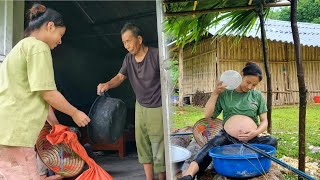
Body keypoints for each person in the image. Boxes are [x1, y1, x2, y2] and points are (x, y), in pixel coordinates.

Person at [0, 4, 90, 180]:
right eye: (60, 35)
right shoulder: (38, 47)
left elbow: (38, 95)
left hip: (6, 131)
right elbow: (47, 92)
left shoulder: (20, 48)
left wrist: (55, 125)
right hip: (16, 135)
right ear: (50, 26)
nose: (60, 41)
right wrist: (75, 113)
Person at [179, 62, 278, 180]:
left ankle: (234, 154)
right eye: (248, 82)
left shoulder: (257, 96)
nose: (250, 87)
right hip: (227, 138)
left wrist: (255, 133)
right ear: (241, 75)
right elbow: (207, 115)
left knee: (271, 141)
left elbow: (264, 121)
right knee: (211, 146)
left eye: (254, 85)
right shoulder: (225, 93)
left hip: (250, 140)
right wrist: (215, 93)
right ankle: (189, 174)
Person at [97, 23, 165, 180]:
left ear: (139, 39)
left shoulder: (156, 55)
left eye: (129, 41)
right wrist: (107, 84)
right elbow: (120, 77)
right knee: (142, 145)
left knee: (158, 147)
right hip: (140, 105)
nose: (126, 46)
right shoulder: (128, 59)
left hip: (157, 106)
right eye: (124, 43)